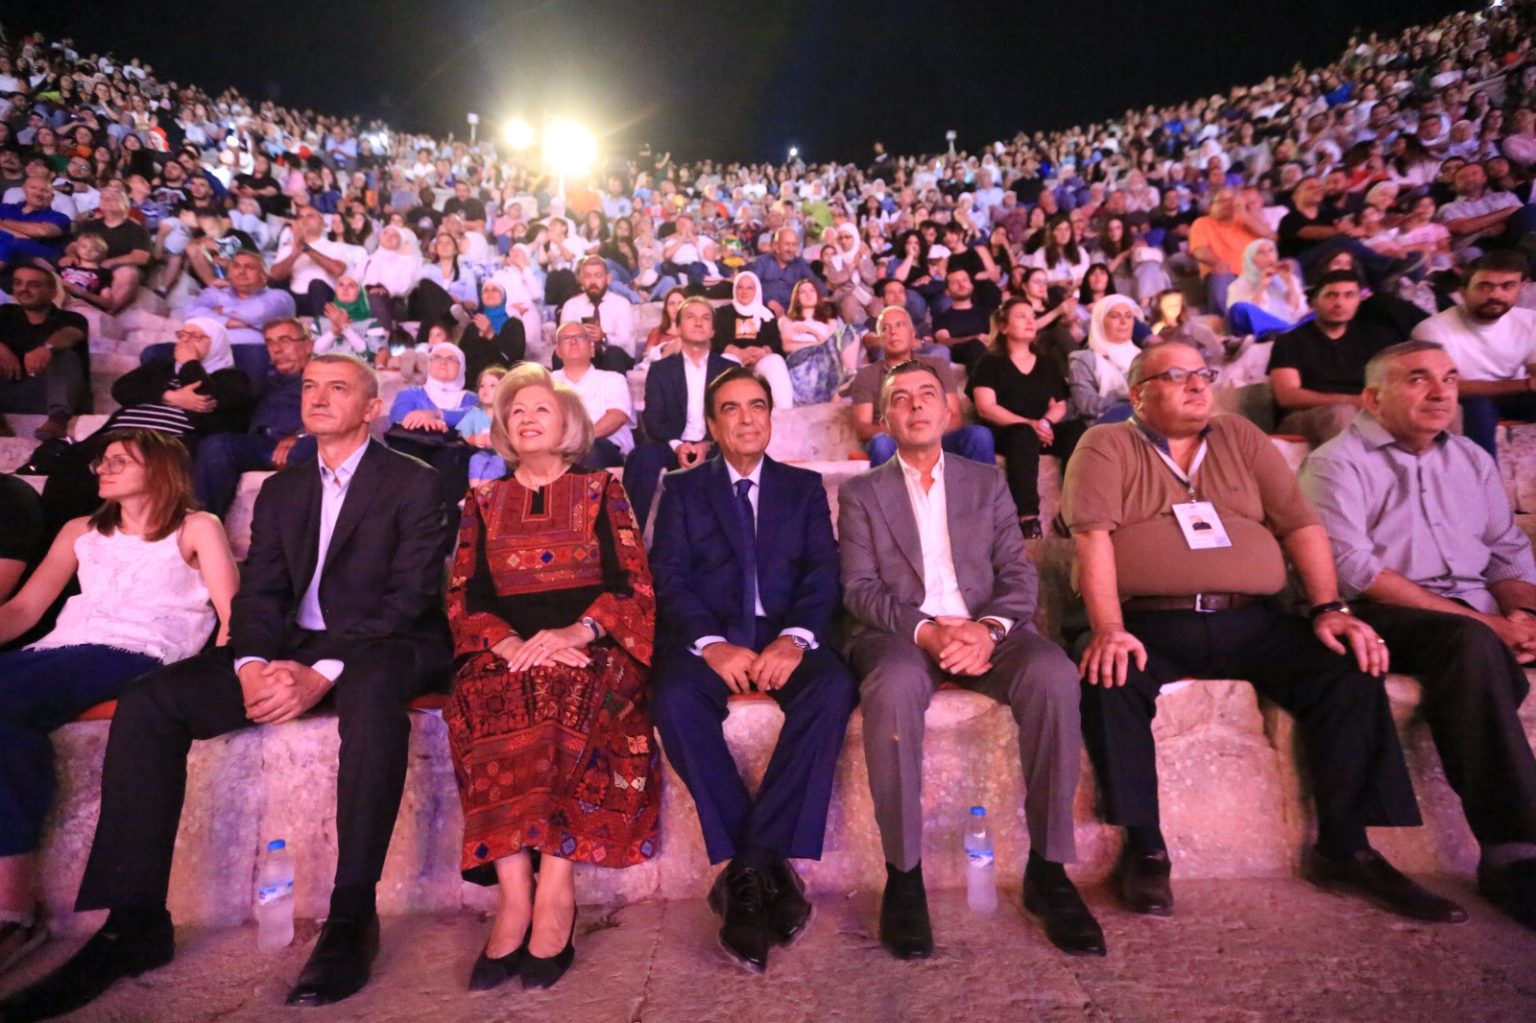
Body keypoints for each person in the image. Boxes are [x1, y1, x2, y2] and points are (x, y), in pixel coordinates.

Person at [0, 354, 454, 1018]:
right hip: (290, 644)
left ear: (371, 408)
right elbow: (261, 594)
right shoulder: (283, 488)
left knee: (372, 691)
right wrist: (252, 663)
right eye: (310, 386)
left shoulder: (415, 481)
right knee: (152, 700)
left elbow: (409, 597)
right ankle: (133, 921)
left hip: (390, 642)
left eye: (338, 388)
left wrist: (319, 672)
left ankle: (352, 914)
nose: (318, 397)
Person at [1061, 340, 1463, 925]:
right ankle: (1146, 849)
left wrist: (1329, 608)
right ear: (1139, 393)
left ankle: (1346, 848)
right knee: (1110, 674)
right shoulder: (1107, 443)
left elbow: (1300, 525)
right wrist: (1109, 629)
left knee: (1347, 667)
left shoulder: (1240, 436)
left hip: (1252, 618)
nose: (1197, 385)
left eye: (1204, 374)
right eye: (1177, 376)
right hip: (1150, 620)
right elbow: (1092, 538)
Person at [839, 360, 1103, 958]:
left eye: (926, 394)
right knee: (892, 687)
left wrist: (986, 629)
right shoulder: (861, 493)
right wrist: (927, 631)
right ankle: (904, 877)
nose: (915, 406)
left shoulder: (986, 483)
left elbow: (1017, 573)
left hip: (988, 629)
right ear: (884, 420)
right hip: (900, 633)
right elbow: (859, 590)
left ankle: (1048, 871)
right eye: (899, 399)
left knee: (1053, 674)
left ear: (949, 410)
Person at [1299, 340, 1536, 932]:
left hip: (1477, 614)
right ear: (1372, 398)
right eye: (1418, 379)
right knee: (1470, 645)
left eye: (1450, 379)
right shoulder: (1336, 463)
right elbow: (1356, 571)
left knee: (1477, 645)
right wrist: (1490, 626)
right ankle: (1514, 852)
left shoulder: (1471, 459)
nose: (1440, 393)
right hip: (1383, 614)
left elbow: (1506, 549)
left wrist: (1524, 615)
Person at [444, 363, 658, 992]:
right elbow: (464, 594)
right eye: (516, 411)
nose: (527, 418)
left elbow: (634, 583)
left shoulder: (601, 490)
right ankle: (515, 893)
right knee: (483, 694)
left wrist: (576, 634)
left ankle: (556, 887)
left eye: (542, 408)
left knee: (565, 691)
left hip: (591, 645)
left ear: (568, 424)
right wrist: (509, 643)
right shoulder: (482, 501)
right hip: (508, 647)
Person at [0, 430, 237, 978]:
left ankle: (12, 910)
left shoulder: (197, 527)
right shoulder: (79, 530)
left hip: (139, 651)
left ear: (159, 469)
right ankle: (12, 905)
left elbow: (232, 612)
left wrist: (231, 675)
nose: (102, 468)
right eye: (101, 461)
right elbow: (24, 610)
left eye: (118, 460)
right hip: (60, 649)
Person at [649, 366, 856, 972]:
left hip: (784, 635)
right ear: (713, 426)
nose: (746, 418)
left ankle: (746, 870)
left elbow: (823, 576)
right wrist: (712, 645)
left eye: (757, 406)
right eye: (731, 409)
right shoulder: (683, 489)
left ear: (770, 416)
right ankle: (766, 870)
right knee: (674, 698)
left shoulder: (803, 487)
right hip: (711, 637)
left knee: (832, 687)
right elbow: (670, 577)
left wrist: (794, 639)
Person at [969, 298, 1082, 538]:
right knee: (1023, 434)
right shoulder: (989, 362)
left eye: (1032, 316)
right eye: (1021, 316)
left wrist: (1044, 423)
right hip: (1007, 431)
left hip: (1041, 430)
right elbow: (986, 407)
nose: (1030, 321)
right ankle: (1028, 517)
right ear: (1003, 327)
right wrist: (1030, 424)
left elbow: (1059, 404)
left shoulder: (1047, 362)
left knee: (1077, 430)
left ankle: (1073, 511)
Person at [1410, 251, 1536, 458]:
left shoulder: (1529, 321)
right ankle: (1483, 476)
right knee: (1479, 407)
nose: (1496, 295)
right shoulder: (1433, 329)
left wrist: (1528, 384)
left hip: (1513, 396)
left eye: (1507, 286)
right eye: (1484, 286)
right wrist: (1526, 384)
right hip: (1461, 400)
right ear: (1464, 292)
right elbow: (1447, 386)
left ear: (1520, 288)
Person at [623, 297, 733, 530]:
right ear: (679, 327)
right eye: (691, 317)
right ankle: (628, 538)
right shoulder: (661, 369)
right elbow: (653, 419)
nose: (698, 323)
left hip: (715, 445)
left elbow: (732, 419)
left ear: (713, 330)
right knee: (642, 457)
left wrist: (707, 444)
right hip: (671, 445)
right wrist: (678, 446)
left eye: (705, 318)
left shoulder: (729, 370)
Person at [190, 318, 317, 517]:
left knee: (310, 451)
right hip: (260, 442)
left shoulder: (325, 375)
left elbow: (341, 414)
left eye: (285, 340)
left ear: (308, 345)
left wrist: (300, 435)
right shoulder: (262, 377)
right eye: (270, 343)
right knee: (216, 445)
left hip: (306, 440)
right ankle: (200, 523)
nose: (276, 349)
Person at [1268, 271, 1402, 446]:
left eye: (1349, 295)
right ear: (1314, 301)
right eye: (1331, 295)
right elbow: (1288, 396)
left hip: (1365, 411)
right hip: (1305, 416)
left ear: (1359, 300)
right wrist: (1351, 401)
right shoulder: (1290, 341)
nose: (1340, 303)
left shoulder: (1376, 337)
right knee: (1341, 414)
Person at [849, 307, 994, 467]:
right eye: (885, 328)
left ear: (912, 334)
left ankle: (985, 484)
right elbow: (863, 429)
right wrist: (907, 432)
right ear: (881, 339)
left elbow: (955, 417)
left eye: (899, 325)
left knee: (979, 435)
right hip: (895, 441)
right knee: (881, 443)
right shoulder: (867, 375)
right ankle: (890, 485)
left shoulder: (937, 364)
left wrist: (926, 434)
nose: (893, 332)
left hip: (938, 439)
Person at [0, 265, 89, 442]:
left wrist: (46, 348)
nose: (23, 289)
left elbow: (70, 334)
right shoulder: (5, 313)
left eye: (33, 285)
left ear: (53, 293)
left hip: (52, 396)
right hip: (10, 392)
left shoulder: (72, 318)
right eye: (18, 283)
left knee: (64, 356)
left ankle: (58, 421)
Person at [384, 341, 478, 506]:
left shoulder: (470, 398)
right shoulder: (410, 393)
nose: (443, 362)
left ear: (461, 367)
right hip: (412, 448)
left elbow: (476, 417)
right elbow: (399, 417)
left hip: (453, 456)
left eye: (451, 359)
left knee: (451, 458)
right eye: (437, 357)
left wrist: (437, 414)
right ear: (429, 364)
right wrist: (429, 423)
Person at [550, 321, 635, 469]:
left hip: (602, 445)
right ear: (558, 351)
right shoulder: (546, 382)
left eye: (580, 337)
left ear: (592, 349)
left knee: (589, 450)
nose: (573, 341)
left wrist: (579, 439)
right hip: (557, 446)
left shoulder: (612, 379)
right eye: (566, 338)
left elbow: (617, 416)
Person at [712, 271, 794, 408]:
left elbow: (776, 341)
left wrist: (763, 351)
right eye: (740, 287)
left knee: (775, 361)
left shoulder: (767, 314)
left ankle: (785, 412)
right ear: (735, 289)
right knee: (727, 360)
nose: (744, 291)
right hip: (734, 357)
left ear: (757, 291)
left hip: (760, 360)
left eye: (749, 288)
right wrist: (737, 352)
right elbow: (716, 340)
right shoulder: (722, 313)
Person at [1067, 294, 1141, 427]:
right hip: (1103, 427)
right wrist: (1124, 396)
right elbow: (1086, 404)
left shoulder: (1142, 357)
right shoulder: (1083, 360)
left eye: (1128, 316)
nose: (1123, 322)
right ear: (1100, 321)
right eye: (1115, 316)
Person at [776, 277, 850, 405]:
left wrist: (811, 331)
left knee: (847, 332)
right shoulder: (787, 321)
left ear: (817, 295)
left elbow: (830, 347)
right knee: (825, 348)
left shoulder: (830, 322)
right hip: (801, 363)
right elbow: (787, 346)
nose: (808, 294)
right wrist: (816, 344)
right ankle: (841, 387)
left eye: (812, 290)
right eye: (803, 292)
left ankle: (849, 374)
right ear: (797, 298)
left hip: (826, 363)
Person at [557, 255, 636, 371]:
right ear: (581, 280)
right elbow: (563, 339)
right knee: (559, 355)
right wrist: (580, 337)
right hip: (584, 355)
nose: (593, 282)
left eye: (598, 276)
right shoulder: (571, 305)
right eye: (587, 276)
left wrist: (603, 337)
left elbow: (625, 342)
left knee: (612, 353)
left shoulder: (621, 304)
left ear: (608, 278)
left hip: (616, 356)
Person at [1225, 239, 1307, 337]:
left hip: (1291, 327)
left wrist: (1289, 283)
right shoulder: (1238, 285)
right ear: (1252, 260)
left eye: (1271, 250)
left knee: (1315, 315)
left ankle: (1286, 330)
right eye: (1261, 252)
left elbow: (1299, 312)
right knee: (1239, 308)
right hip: (1261, 332)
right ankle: (1284, 331)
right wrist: (1261, 286)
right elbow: (1242, 319)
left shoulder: (1290, 278)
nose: (1268, 255)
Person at [749, 228, 826, 316]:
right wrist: (767, 300)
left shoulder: (800, 264)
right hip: (763, 311)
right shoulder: (762, 262)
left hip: (793, 314)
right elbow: (750, 285)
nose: (790, 249)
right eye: (787, 244)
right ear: (776, 246)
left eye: (794, 245)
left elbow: (817, 286)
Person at [931, 268, 991, 372]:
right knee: (976, 346)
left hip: (988, 353)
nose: (961, 284)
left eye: (965, 280)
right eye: (955, 282)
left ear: (972, 286)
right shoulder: (942, 317)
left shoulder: (987, 313)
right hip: (960, 355)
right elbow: (944, 341)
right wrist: (974, 338)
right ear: (947, 292)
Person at [458, 365, 509, 487]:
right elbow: (463, 433)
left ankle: (485, 490)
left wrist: (498, 441)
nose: (485, 389)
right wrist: (474, 439)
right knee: (476, 460)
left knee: (498, 462)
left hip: (502, 455)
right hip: (481, 452)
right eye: (482, 385)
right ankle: (475, 490)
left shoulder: (508, 415)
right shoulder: (474, 414)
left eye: (492, 386)